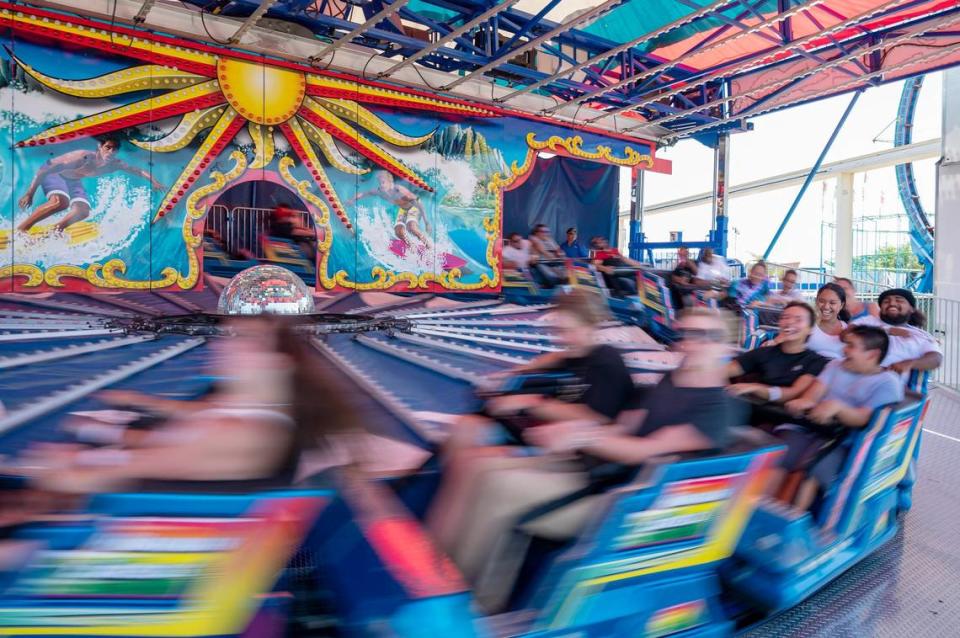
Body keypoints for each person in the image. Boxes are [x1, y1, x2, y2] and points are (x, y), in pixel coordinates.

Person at [428, 309, 738, 611]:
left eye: (705, 336)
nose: (691, 343)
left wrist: (581, 437)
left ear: (726, 345)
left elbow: (642, 451)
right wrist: (574, 429)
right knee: (481, 467)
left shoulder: (716, 407)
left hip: (624, 501)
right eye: (686, 334)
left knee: (499, 488)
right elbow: (624, 428)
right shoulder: (672, 378)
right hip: (599, 472)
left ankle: (467, 605)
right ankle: (432, 576)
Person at [779, 326, 903, 510]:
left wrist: (837, 408)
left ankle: (792, 520)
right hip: (816, 428)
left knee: (812, 470)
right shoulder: (835, 365)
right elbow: (814, 393)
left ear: (872, 354)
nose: (844, 350)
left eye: (851, 346)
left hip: (849, 441)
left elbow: (864, 419)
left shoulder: (887, 382)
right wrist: (805, 402)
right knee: (780, 454)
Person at [17, 136, 165, 233]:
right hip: (55, 174)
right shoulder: (83, 158)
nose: (111, 152)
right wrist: (30, 193)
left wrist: (155, 182)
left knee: (82, 211)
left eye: (115, 149)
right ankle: (22, 229)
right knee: (60, 202)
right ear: (100, 147)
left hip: (73, 180)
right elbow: (45, 170)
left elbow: (138, 171)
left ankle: (55, 231)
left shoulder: (115, 164)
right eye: (108, 147)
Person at [727, 302, 829, 415]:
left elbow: (792, 393)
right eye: (785, 317)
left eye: (798, 319)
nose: (790, 322)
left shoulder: (815, 361)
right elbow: (726, 371)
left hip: (786, 418)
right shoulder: (763, 352)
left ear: (810, 329)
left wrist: (755, 388)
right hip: (753, 412)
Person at [853, 288, 942, 376]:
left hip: (898, 386)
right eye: (886, 301)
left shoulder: (920, 335)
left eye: (899, 300)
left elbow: (936, 359)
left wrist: (909, 364)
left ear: (911, 309)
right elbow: (846, 334)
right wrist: (886, 330)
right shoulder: (866, 322)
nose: (892, 303)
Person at [348, 170, 431, 249]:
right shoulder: (381, 192)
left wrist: (426, 222)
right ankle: (412, 247)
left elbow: (417, 200)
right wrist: (351, 200)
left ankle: (429, 247)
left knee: (412, 228)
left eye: (383, 182)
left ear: (390, 181)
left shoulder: (398, 190)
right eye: (380, 183)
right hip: (403, 210)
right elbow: (365, 193)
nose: (381, 185)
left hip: (413, 208)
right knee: (398, 232)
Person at [807, 283, 849, 359]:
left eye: (832, 303)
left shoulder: (848, 329)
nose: (826, 307)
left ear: (841, 305)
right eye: (822, 301)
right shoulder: (807, 327)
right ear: (816, 301)